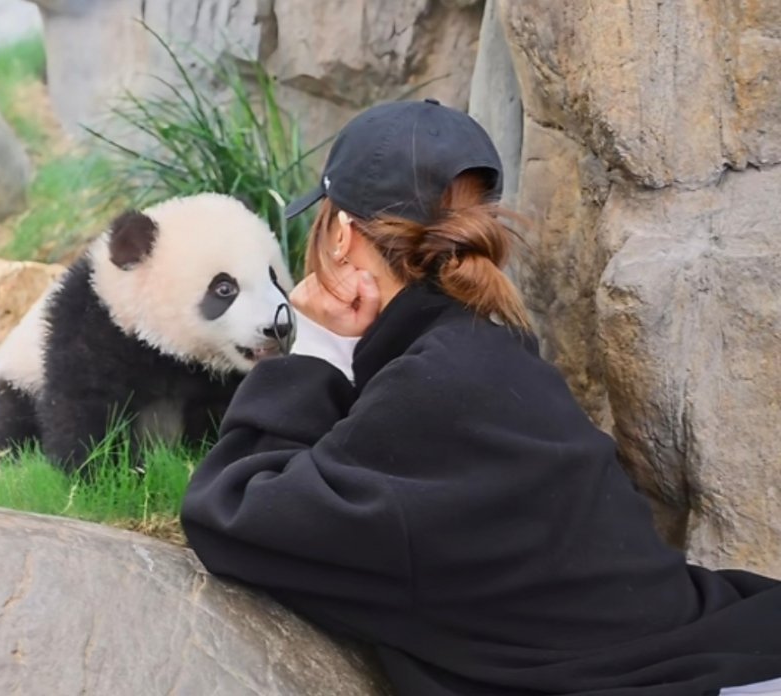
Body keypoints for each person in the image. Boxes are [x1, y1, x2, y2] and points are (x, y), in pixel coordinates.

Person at [179, 99, 781, 696]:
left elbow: (229, 515)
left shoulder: (433, 389)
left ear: (340, 236)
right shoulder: (487, 354)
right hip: (729, 650)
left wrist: (310, 349)